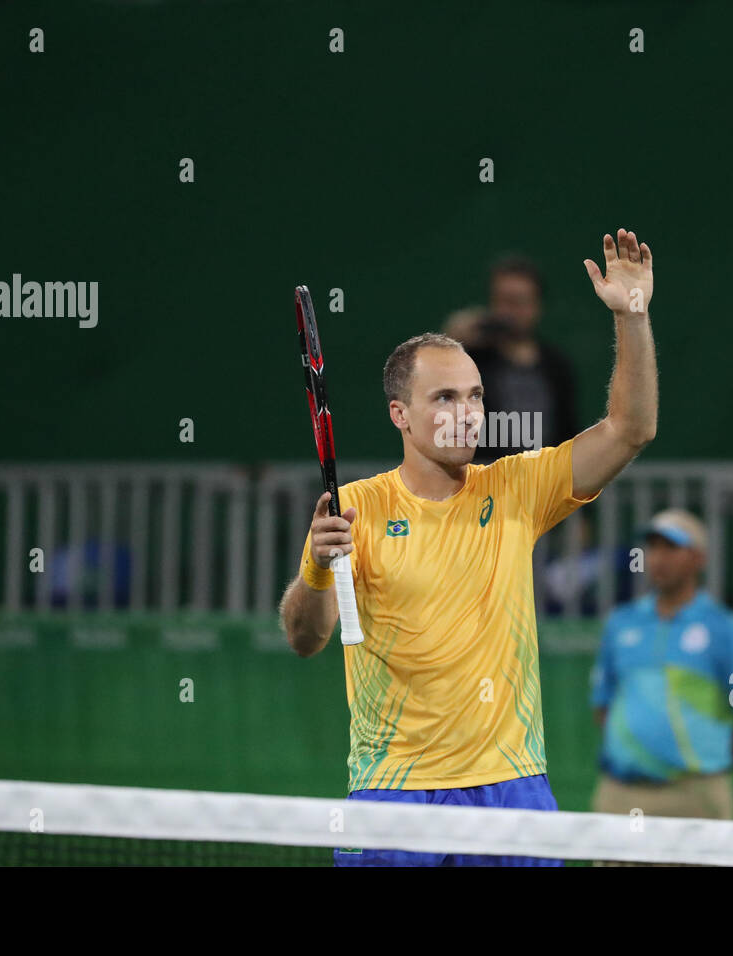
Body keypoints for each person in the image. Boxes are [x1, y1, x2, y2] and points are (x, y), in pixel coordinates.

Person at [279, 229, 657, 866]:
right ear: (400, 414)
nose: (466, 413)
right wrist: (317, 568)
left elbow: (630, 429)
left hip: (511, 789)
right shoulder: (356, 509)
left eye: (476, 396)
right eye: (445, 398)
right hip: (394, 794)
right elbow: (305, 637)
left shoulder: (515, 487)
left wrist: (633, 314)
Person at [590, 509, 733, 820]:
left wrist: (709, 769)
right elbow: (604, 706)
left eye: (671, 548)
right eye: (653, 547)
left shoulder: (728, 629)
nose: (659, 558)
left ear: (698, 559)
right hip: (621, 795)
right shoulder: (620, 623)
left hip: (696, 797)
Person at [444, 254, 578, 461]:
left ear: (536, 306)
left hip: (544, 483)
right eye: (504, 301)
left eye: (520, 301)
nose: (511, 312)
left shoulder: (556, 366)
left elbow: (568, 432)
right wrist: (451, 340)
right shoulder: (473, 361)